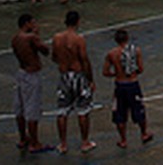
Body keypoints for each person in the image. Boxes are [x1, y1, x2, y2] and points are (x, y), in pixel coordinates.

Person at [52, 11, 95, 155]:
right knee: (83, 110)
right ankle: (85, 142)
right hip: (78, 76)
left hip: (64, 76)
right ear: (77, 21)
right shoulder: (79, 39)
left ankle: (63, 144)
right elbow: (84, 60)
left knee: (62, 111)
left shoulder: (56, 38)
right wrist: (90, 79)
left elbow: (54, 57)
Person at [102, 29, 153, 148]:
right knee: (139, 109)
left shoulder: (111, 54)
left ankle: (123, 140)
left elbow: (105, 72)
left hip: (120, 84)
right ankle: (144, 134)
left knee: (120, 113)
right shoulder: (136, 51)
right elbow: (140, 69)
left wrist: (116, 74)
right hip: (133, 83)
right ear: (127, 38)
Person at [12, 14, 51, 153]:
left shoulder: (15, 38)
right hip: (31, 74)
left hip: (21, 73)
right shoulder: (31, 38)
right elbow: (45, 50)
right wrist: (37, 35)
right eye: (33, 22)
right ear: (27, 23)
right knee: (32, 109)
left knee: (20, 108)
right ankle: (35, 142)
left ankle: (23, 138)